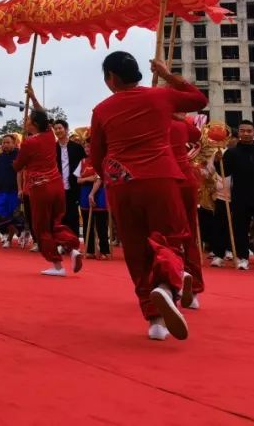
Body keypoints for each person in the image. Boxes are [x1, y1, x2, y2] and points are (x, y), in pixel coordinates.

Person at [88, 53, 207, 341]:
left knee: (135, 249)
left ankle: (155, 320)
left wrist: (111, 179)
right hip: (160, 179)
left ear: (111, 78)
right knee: (171, 240)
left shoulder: (101, 110)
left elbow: (98, 155)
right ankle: (165, 286)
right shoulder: (160, 96)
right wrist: (167, 75)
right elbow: (198, 99)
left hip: (122, 184)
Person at [16, 91, 82, 278]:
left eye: (28, 119)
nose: (25, 121)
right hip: (56, 185)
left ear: (34, 124)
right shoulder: (49, 135)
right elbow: (43, 116)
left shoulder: (29, 143)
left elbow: (17, 166)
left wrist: (22, 155)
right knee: (56, 222)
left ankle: (57, 265)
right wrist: (33, 97)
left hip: (40, 187)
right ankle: (72, 249)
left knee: (42, 227)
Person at [220, 121, 254, 272]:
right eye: (242, 131)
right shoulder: (231, 153)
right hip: (240, 198)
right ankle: (242, 258)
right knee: (240, 229)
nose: (246, 134)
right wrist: (219, 160)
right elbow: (224, 172)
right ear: (239, 132)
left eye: (249, 131)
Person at [169, 114, 206, 295]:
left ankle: (169, 281)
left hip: (164, 181)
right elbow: (196, 134)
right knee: (188, 235)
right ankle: (193, 286)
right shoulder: (180, 125)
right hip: (184, 180)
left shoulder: (150, 122)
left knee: (162, 235)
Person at [52, 118, 85, 237]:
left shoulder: (77, 148)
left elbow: (84, 165)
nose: (58, 131)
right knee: (59, 216)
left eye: (60, 128)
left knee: (73, 215)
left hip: (73, 186)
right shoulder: (52, 148)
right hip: (57, 187)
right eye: (55, 129)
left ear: (66, 129)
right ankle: (62, 241)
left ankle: (73, 241)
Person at [77, 146, 110, 259]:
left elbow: (99, 179)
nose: (87, 148)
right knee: (87, 223)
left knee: (101, 223)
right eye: (86, 146)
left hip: (99, 192)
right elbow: (78, 180)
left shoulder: (102, 161)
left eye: (90, 146)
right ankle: (89, 250)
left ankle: (104, 251)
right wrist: (88, 179)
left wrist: (92, 193)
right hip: (85, 192)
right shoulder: (82, 162)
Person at [0, 134, 24, 248]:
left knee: (14, 215)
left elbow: (22, 173)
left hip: (15, 190)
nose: (5, 145)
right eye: (3, 143)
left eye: (8, 142)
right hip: (1, 190)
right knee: (1, 215)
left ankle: (10, 239)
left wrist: (21, 189)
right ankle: (18, 232)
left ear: (14, 143)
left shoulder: (20, 155)